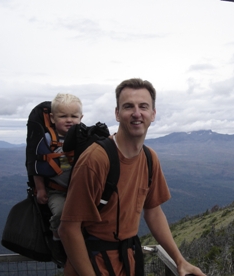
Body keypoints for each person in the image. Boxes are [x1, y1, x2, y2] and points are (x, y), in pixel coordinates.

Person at [58, 78, 205, 275]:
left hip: (129, 261)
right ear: (117, 114)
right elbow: (68, 229)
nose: (137, 113)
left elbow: (153, 211)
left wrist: (179, 260)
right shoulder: (96, 160)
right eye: (128, 106)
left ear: (153, 114)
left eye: (143, 106)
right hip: (91, 263)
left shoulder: (149, 158)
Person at [33, 93, 83, 262]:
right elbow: (36, 166)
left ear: (81, 117)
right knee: (61, 213)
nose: (69, 120)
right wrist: (40, 189)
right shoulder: (47, 139)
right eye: (63, 116)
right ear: (53, 118)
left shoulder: (84, 138)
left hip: (78, 191)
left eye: (74, 116)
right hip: (57, 191)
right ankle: (57, 241)